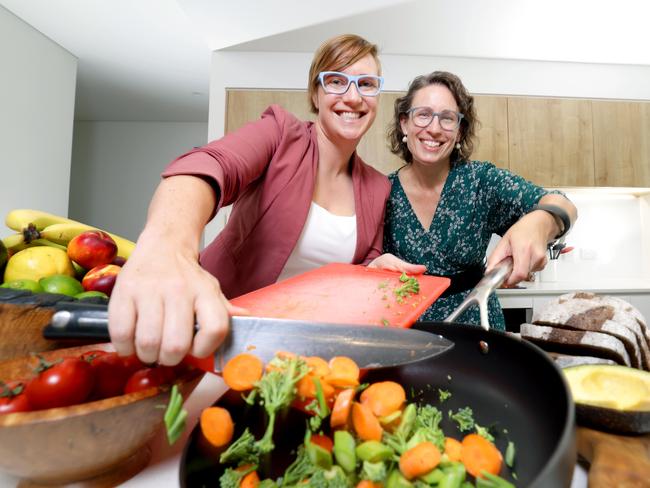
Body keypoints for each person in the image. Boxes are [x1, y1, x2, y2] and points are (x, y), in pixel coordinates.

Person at [108, 34, 423, 365]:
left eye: (367, 84)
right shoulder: (280, 134)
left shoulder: (376, 186)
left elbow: (357, 265)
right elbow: (208, 166)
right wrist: (166, 245)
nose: (353, 96)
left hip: (306, 352)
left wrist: (373, 267)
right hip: (222, 336)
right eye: (336, 81)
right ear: (315, 93)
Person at [382, 71, 578, 330]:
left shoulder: (481, 181)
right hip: (406, 331)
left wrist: (540, 223)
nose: (434, 127)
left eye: (447, 118)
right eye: (423, 114)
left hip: (477, 329)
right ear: (404, 123)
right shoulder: (381, 191)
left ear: (460, 132)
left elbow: (564, 205)